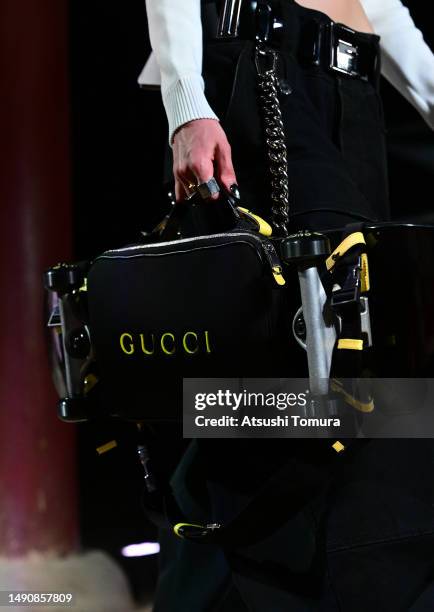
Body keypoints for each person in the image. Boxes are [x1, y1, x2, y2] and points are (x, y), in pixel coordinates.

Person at [142, 1, 434, 610]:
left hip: (355, 90)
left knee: (344, 368)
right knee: (322, 342)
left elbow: (385, 10)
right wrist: (187, 105)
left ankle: (210, 562)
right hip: (258, 66)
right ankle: (239, 569)